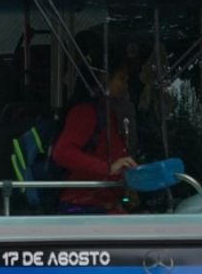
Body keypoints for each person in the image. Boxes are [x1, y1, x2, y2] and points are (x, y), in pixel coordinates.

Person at [51, 53, 138, 214]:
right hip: (81, 206)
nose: (125, 86)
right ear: (104, 79)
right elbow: (62, 152)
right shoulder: (85, 112)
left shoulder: (106, 113)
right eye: (121, 79)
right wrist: (108, 169)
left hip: (102, 203)